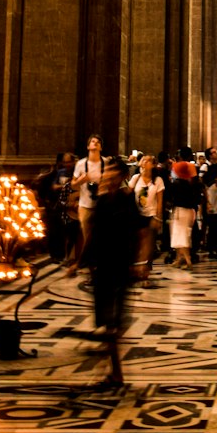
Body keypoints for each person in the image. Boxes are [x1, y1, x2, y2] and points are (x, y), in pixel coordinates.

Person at [82, 158, 141, 387]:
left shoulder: (127, 200)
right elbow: (93, 233)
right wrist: (80, 262)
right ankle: (113, 368)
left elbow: (140, 232)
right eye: (105, 171)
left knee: (113, 321)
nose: (106, 175)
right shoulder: (103, 200)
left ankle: (113, 367)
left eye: (111, 172)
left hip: (121, 264)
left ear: (120, 176)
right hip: (102, 265)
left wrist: (140, 263)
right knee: (107, 321)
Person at [69, 135, 106, 271]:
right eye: (92, 141)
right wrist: (81, 181)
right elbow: (72, 185)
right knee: (87, 236)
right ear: (88, 146)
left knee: (100, 236)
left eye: (98, 142)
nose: (95, 143)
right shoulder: (80, 164)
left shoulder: (106, 163)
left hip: (101, 205)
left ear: (101, 147)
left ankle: (99, 264)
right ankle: (91, 267)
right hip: (85, 205)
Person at [131, 154, 164, 285]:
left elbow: (160, 201)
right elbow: (128, 194)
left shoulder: (157, 180)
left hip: (151, 215)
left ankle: (146, 274)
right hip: (137, 215)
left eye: (148, 160)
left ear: (153, 164)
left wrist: (158, 217)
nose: (144, 162)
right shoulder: (135, 178)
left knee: (149, 246)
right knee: (138, 244)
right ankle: (137, 270)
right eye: (143, 160)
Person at [168, 159, 201, 269]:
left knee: (181, 237)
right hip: (190, 211)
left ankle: (188, 261)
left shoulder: (176, 183)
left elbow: (170, 197)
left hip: (180, 211)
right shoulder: (189, 183)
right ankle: (178, 259)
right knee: (181, 236)